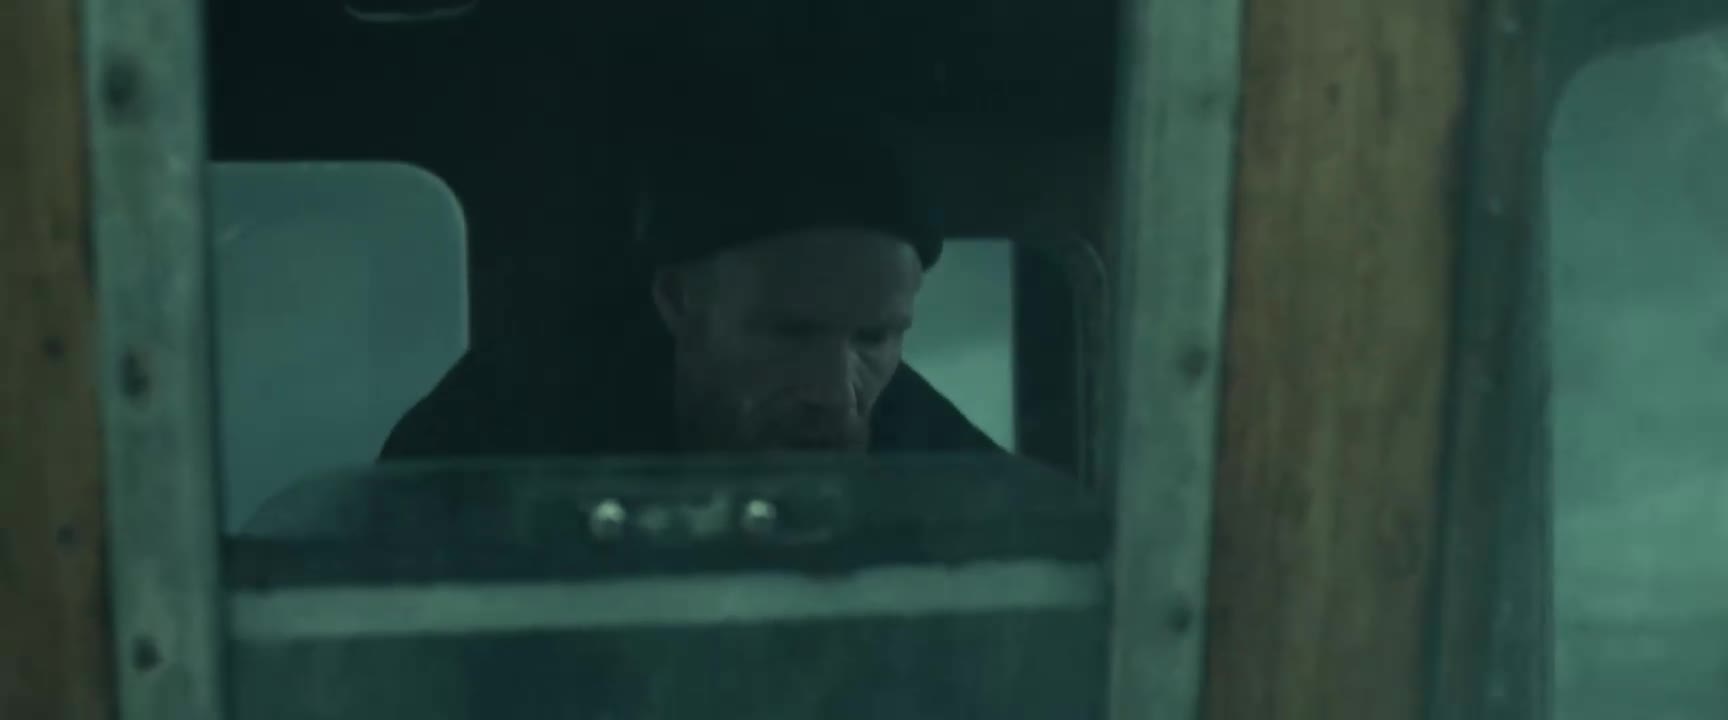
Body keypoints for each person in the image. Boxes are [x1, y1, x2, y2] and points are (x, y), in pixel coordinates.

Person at [378, 93, 1000, 460]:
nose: (834, 394)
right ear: (677, 301)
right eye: (788, 333)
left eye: (875, 338)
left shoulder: (941, 465)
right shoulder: (493, 439)